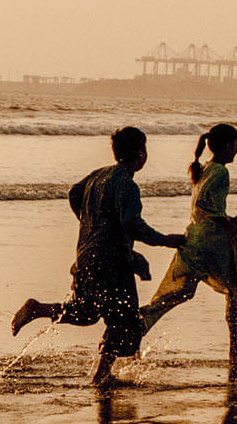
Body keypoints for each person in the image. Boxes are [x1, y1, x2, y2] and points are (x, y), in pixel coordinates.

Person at [12, 126, 184, 385]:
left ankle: (39, 309)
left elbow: (74, 193)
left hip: (86, 256)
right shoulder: (126, 184)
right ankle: (102, 375)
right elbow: (131, 224)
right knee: (124, 320)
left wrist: (91, 222)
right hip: (112, 263)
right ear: (141, 153)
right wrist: (164, 240)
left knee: (87, 312)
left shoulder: (99, 175)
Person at [140, 124, 237, 360]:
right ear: (227, 146)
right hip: (212, 244)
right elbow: (204, 204)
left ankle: (136, 327)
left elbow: (205, 205)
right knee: (235, 288)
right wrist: (227, 224)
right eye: (236, 145)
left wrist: (227, 219)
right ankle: (236, 342)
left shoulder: (204, 169)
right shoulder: (220, 172)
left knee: (174, 295)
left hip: (193, 240)